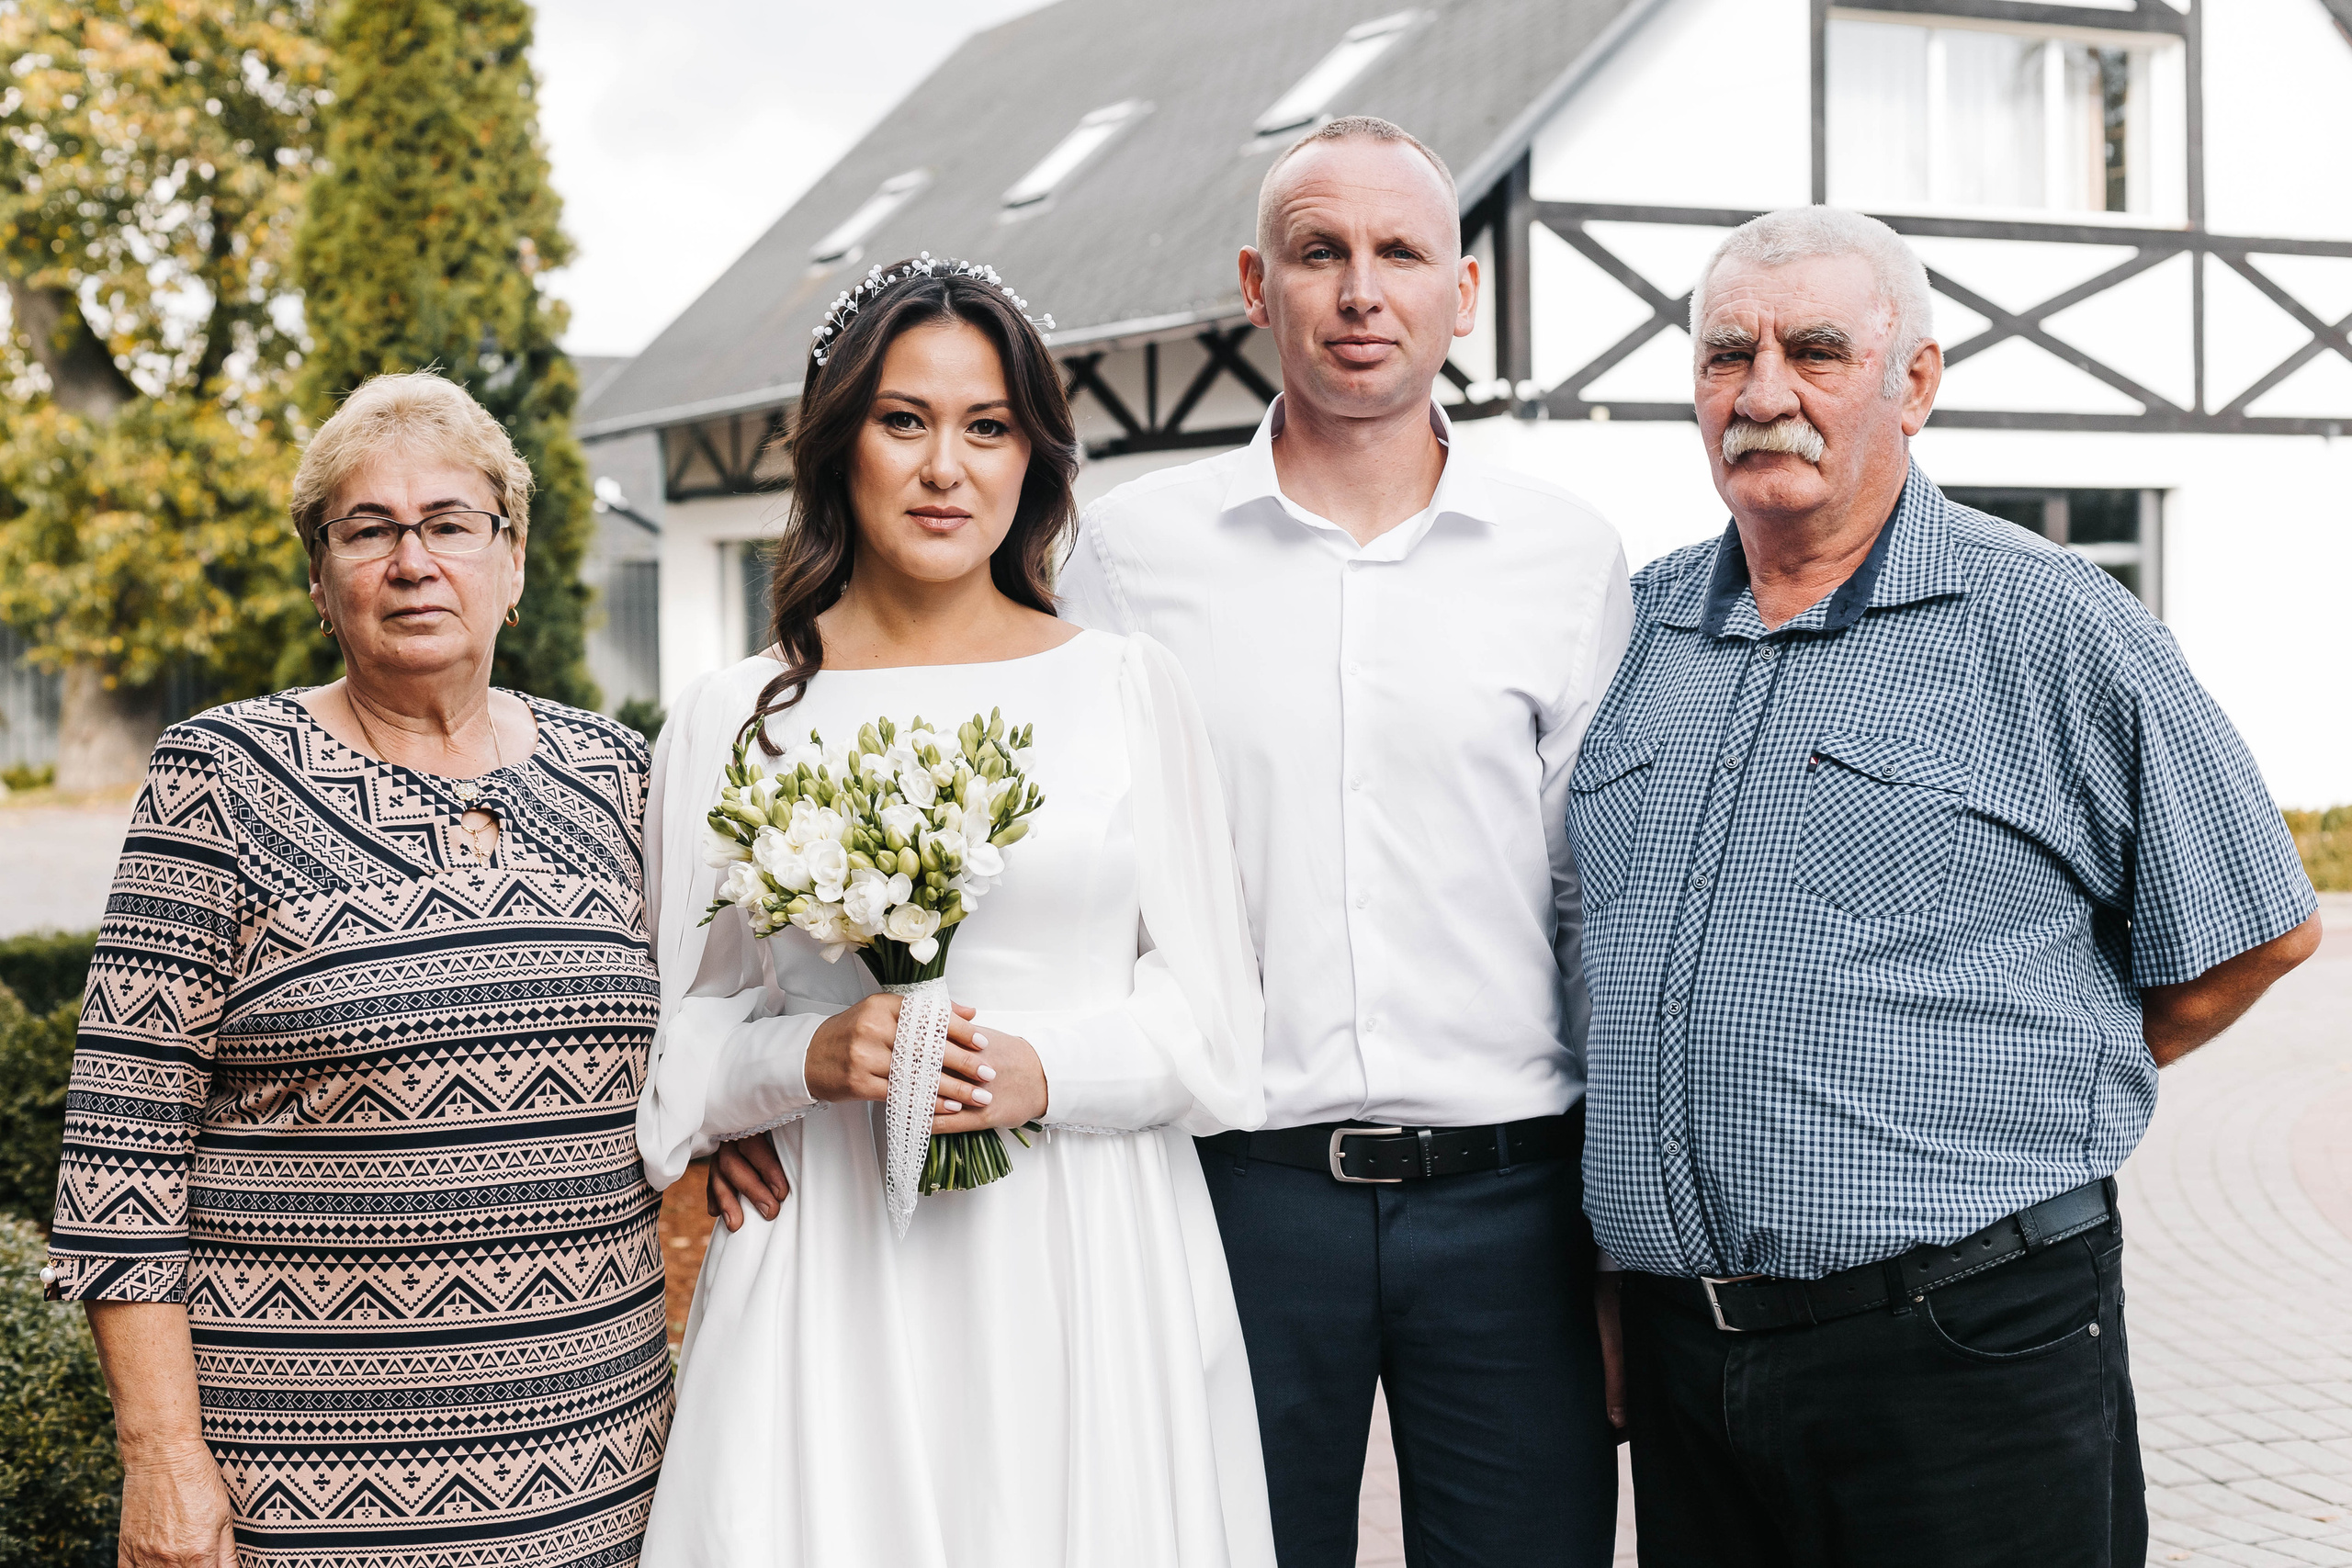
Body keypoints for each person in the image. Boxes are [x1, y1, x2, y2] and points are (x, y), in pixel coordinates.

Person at [1575, 207, 2323, 1566]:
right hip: (1690, 1361)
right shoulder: (1641, 629)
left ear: (1914, 382)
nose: (1762, 394)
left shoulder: (2054, 622)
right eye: (1727, 355)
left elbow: (2260, 930)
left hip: (1965, 1348)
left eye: (1816, 352)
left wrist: (2052, 1069)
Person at [633, 256, 1274, 1567]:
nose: (945, 468)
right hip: (830, 1254)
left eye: (987, 427)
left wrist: (1048, 1070)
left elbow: (1218, 1024)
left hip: (1082, 1242)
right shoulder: (736, 717)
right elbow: (675, 1043)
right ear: (840, 445)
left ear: (1033, 459)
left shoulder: (1128, 688)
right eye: (903, 421)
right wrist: (802, 1059)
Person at [1068, 117, 1634, 1564]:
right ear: (1258, 286)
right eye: (1321, 252)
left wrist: (1621, 1234)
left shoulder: (1567, 558)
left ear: (1465, 291)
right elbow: (1087, 887)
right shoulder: (1133, 554)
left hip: (1516, 1210)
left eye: (1402, 253)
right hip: (1239, 1200)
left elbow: (1595, 906)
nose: (1362, 292)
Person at [42, 371, 673, 1568]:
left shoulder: (618, 775)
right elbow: (121, 1151)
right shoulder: (220, 775)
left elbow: (696, 1048)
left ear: (513, 561)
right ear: (320, 581)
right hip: (306, 1490)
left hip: (601, 1475)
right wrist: (161, 1458)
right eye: (368, 530)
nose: (413, 562)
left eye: (450, 524)